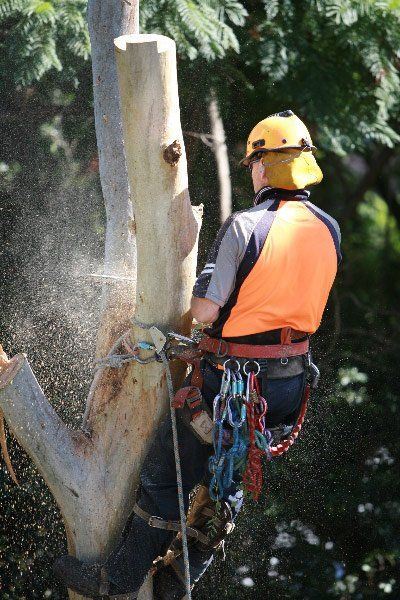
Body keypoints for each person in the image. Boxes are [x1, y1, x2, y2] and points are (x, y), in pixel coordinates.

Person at [53, 110, 341, 599]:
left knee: (166, 476)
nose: (251, 170)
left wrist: (203, 296)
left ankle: (118, 581)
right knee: (227, 479)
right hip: (288, 388)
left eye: (254, 162)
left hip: (230, 384)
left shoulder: (247, 226)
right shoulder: (328, 228)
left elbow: (205, 308)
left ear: (266, 165)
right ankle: (181, 581)